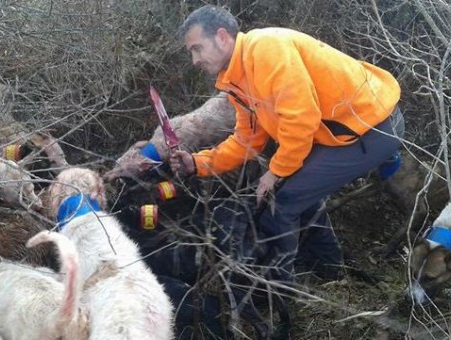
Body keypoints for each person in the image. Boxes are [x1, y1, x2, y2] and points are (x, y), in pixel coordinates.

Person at [170, 5, 404, 284]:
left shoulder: (266, 49)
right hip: (342, 132)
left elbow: (301, 119)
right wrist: (198, 163)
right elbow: (248, 140)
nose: (194, 60)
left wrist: (276, 171)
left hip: (370, 127)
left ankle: (279, 292)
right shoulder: (238, 78)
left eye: (197, 48)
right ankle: (330, 272)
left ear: (222, 37)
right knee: (299, 192)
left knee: (281, 201)